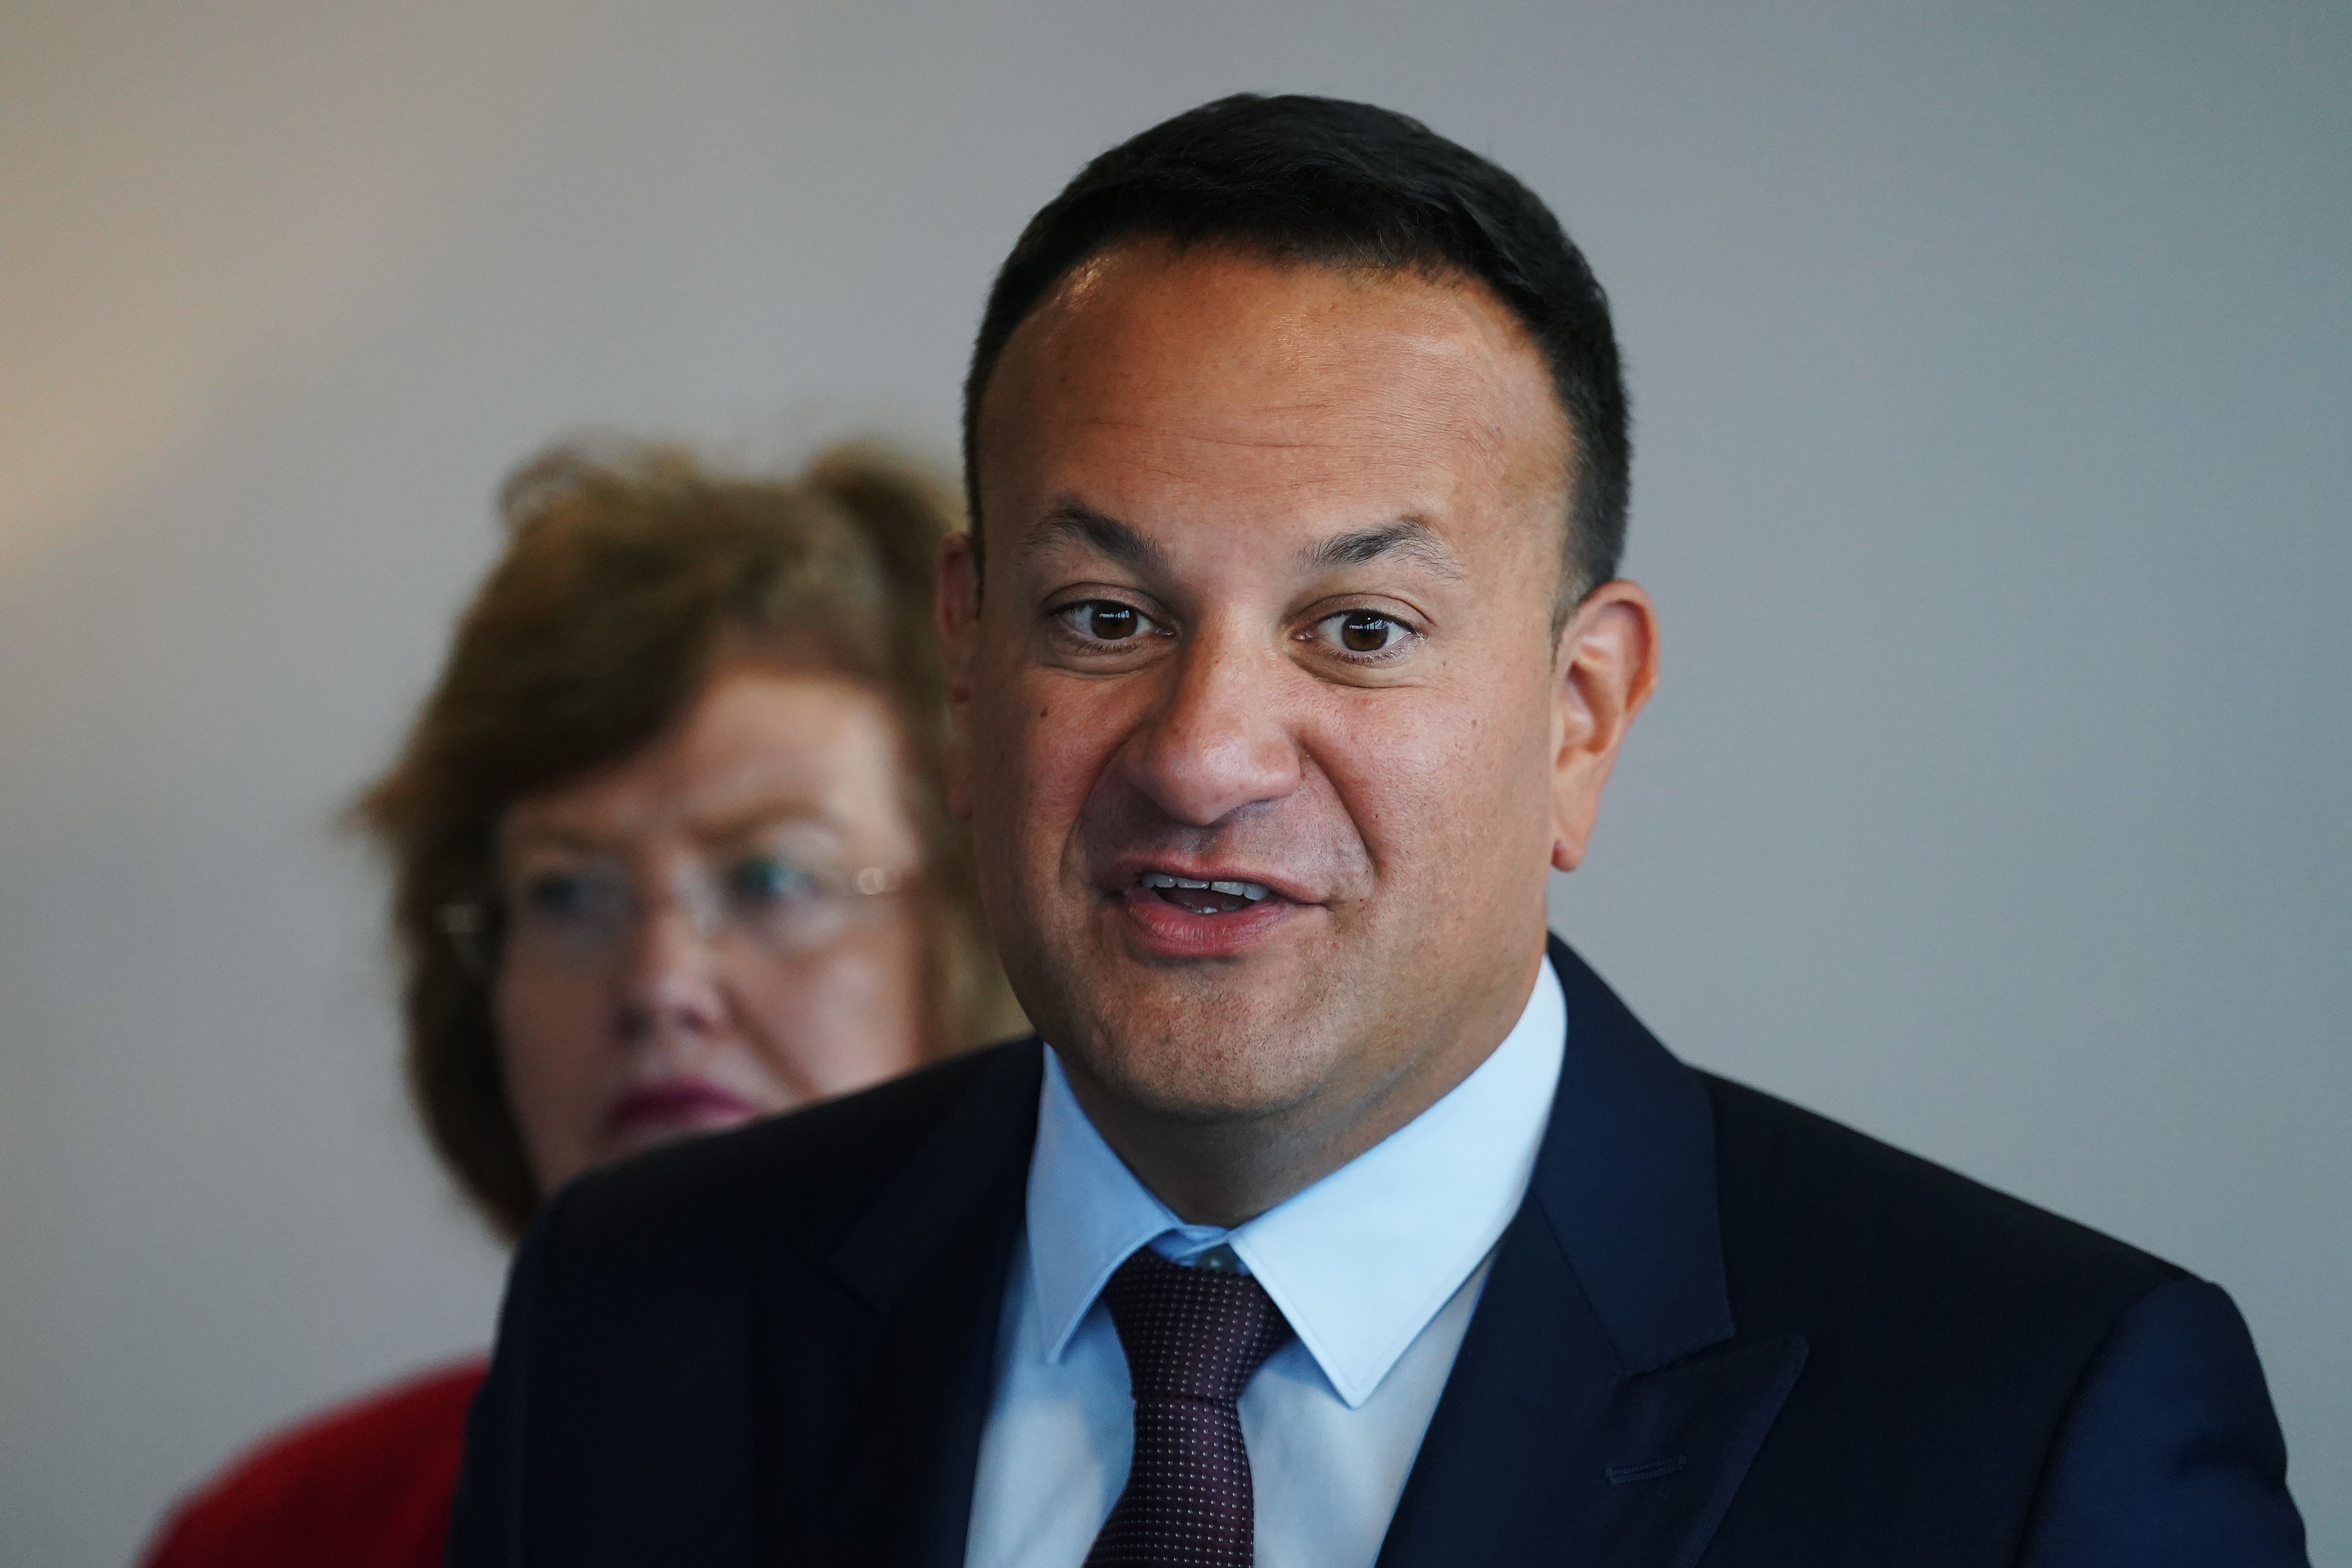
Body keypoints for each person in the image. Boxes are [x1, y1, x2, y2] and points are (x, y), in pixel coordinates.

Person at [447, 95, 2309, 1567]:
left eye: (1358, 630)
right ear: (964, 657)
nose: (1202, 753)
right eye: (1104, 615)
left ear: (1579, 719)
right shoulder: (637, 1317)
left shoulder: (2031, 1422)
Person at [141, 440, 1018, 1568]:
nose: (658, 985)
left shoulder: (1162, 1496)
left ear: (983, 933)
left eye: (771, 881)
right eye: (567, 892)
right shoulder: (286, 1536)